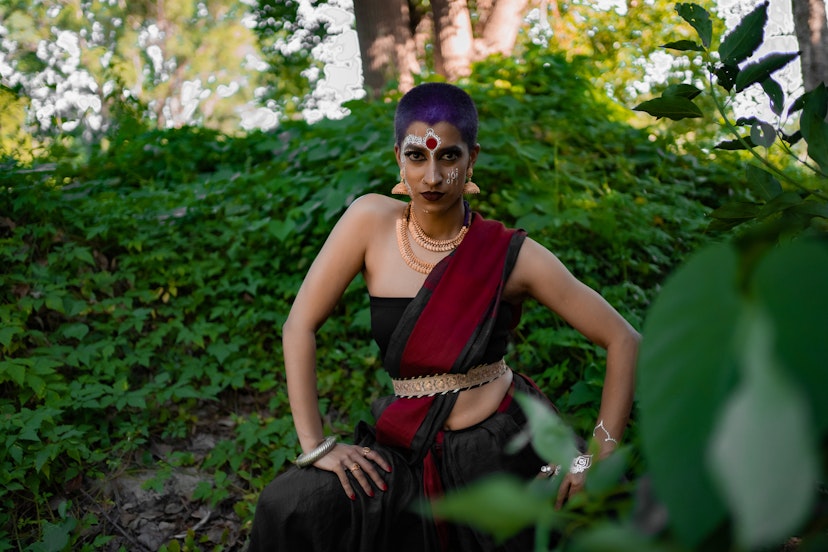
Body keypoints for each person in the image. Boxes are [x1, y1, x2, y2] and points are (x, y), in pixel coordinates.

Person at [247, 82, 639, 551]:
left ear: (472, 159)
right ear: (398, 157)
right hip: (406, 445)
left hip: (500, 447)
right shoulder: (369, 223)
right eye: (417, 157)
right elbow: (299, 326)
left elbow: (623, 338)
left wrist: (602, 451)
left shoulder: (508, 255)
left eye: (448, 157)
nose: (432, 176)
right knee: (293, 504)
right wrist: (316, 446)